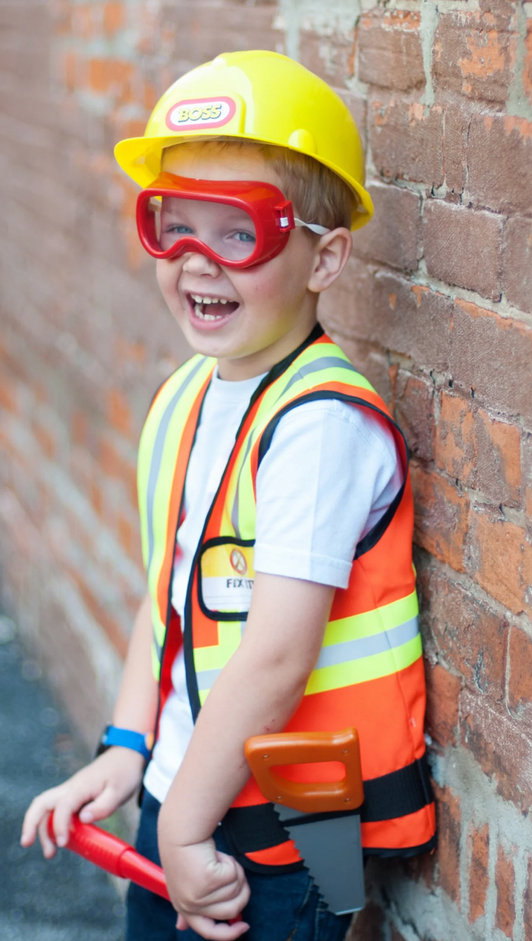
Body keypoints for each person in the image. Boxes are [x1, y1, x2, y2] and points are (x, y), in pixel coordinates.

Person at [21, 51, 436, 941]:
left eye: (237, 232)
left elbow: (278, 654)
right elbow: (169, 600)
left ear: (324, 256)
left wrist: (182, 826)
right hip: (183, 800)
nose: (195, 263)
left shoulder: (319, 427)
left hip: (272, 838)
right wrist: (128, 750)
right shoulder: (192, 394)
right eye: (172, 224)